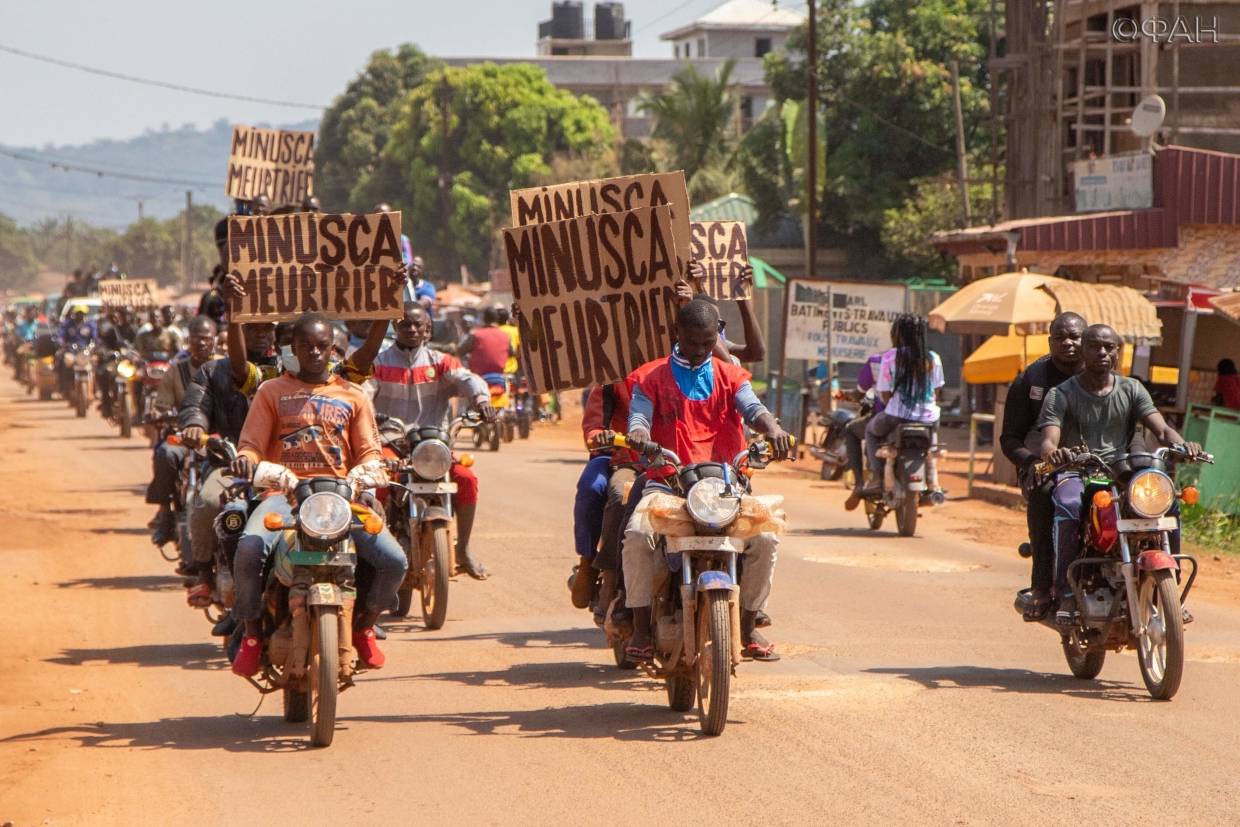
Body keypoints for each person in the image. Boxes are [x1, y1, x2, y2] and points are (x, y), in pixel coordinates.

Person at [228, 312, 407, 677]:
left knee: (394, 561)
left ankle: (364, 627)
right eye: (305, 345)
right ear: (292, 348)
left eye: (321, 346)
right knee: (248, 548)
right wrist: (246, 461)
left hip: (341, 498)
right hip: (283, 494)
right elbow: (250, 446)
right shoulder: (271, 391)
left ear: (333, 349)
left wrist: (373, 470)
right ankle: (250, 635)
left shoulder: (352, 394)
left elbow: (370, 451)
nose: (313, 352)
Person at [622, 299, 793, 662]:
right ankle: (638, 629)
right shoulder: (650, 377)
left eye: (708, 341)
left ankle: (748, 625)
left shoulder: (731, 375)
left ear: (718, 336)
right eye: (693, 342)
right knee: (637, 535)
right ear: (676, 334)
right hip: (668, 482)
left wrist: (774, 428)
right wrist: (638, 433)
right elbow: (638, 417)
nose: (700, 350)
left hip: (727, 485)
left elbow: (753, 409)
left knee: (765, 537)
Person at [1038, 324, 1204, 625]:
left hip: (1122, 472)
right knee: (1069, 505)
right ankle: (1065, 593)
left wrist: (1182, 444)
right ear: (1083, 351)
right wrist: (1055, 453)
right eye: (1094, 346)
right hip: (1080, 471)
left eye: (1109, 347)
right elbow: (1049, 439)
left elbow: (1161, 428)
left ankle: (1171, 590)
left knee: (1168, 501)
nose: (1102, 352)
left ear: (1118, 352)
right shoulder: (1060, 394)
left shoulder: (1132, 389)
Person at [352, 302, 496, 579]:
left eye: (419, 324)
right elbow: (363, 394)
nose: (412, 329)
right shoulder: (378, 363)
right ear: (395, 327)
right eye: (406, 323)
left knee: (466, 478)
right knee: (376, 485)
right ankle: (372, 554)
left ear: (428, 330)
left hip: (432, 447)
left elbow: (469, 379)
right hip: (391, 445)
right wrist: (367, 414)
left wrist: (482, 401)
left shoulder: (441, 362)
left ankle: (463, 550)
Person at [998, 312, 1085, 620]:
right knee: (1043, 491)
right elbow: (1009, 437)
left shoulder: (1101, 376)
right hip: (1045, 466)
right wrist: (1032, 463)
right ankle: (1042, 585)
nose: (1068, 343)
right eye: (1060, 337)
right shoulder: (1031, 379)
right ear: (1050, 342)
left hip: (1093, 462)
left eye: (1074, 337)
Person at [146, 316, 219, 551]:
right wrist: (160, 415)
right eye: (197, 338)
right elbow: (162, 404)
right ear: (189, 340)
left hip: (217, 439)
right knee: (165, 454)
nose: (202, 343)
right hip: (184, 436)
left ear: (215, 340)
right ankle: (166, 513)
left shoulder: (225, 367)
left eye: (207, 338)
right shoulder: (175, 371)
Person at [863, 314, 945, 494]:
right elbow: (937, 392)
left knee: (870, 431)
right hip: (929, 420)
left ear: (898, 334)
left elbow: (884, 394)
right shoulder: (933, 358)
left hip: (896, 417)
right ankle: (933, 481)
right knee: (932, 447)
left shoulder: (891, 357)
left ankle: (877, 476)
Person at [843, 350, 888, 511]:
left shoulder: (880, 360)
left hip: (884, 417)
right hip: (922, 418)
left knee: (851, 429)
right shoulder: (926, 359)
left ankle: (859, 484)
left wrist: (850, 396)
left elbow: (860, 391)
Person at [456, 305, 513, 380]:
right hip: (501, 375)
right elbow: (512, 353)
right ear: (496, 319)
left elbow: (460, 351)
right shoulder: (505, 335)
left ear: (484, 319)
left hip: (479, 377)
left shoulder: (476, 334)